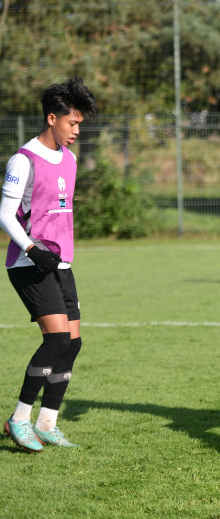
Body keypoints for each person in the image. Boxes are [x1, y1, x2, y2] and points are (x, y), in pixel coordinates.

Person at [1, 77, 97, 451]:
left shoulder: (69, 159)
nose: (76, 131)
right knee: (56, 338)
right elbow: (5, 213)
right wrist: (32, 249)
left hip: (61, 264)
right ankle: (18, 419)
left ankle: (47, 423)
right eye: (72, 123)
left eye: (80, 124)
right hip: (29, 263)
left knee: (72, 344)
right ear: (52, 118)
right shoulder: (23, 160)